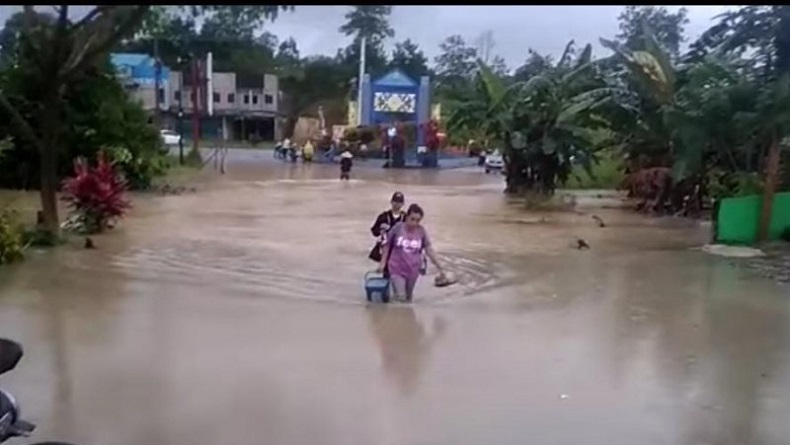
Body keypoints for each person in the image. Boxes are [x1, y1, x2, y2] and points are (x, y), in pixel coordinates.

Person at [378, 204, 446, 302]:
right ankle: (397, 315)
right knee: (401, 297)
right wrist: (382, 263)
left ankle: (407, 316)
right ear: (407, 217)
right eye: (412, 219)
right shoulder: (398, 228)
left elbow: (429, 249)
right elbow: (386, 244)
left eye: (418, 220)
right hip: (397, 269)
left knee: (408, 298)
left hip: (413, 270)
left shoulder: (421, 231)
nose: (414, 223)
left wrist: (441, 267)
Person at [368, 192, 406, 263]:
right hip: (383, 250)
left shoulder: (406, 218)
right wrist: (380, 231)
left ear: (402, 204)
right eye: (395, 201)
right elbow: (374, 231)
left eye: (399, 202)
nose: (397, 204)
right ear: (391, 202)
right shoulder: (383, 216)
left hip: (399, 250)